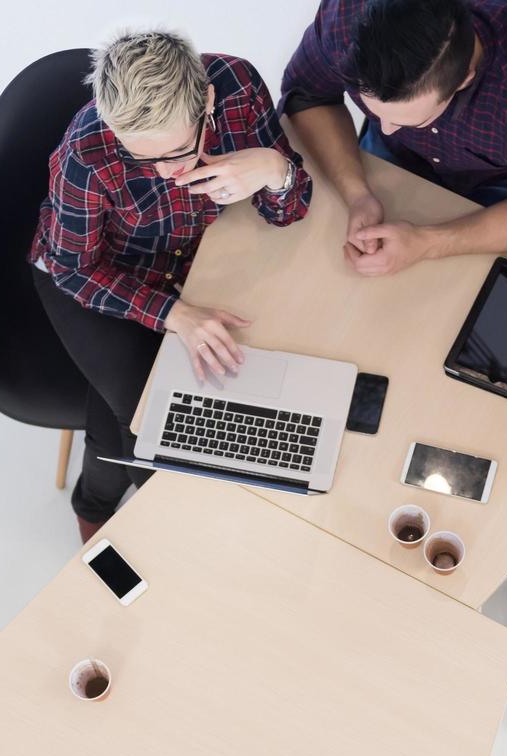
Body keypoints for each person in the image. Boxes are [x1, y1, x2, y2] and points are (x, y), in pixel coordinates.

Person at [30, 30, 312, 541]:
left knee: (134, 411)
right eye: (144, 159)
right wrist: (174, 314)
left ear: (205, 100)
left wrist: (275, 169)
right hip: (95, 279)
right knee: (156, 437)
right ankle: (141, 522)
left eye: (180, 151)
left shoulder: (238, 85)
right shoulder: (86, 154)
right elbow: (73, 268)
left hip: (189, 262)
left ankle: (92, 502)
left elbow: (288, 211)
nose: (167, 172)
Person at [280, 0, 507, 277]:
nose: (386, 127)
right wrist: (357, 194)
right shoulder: (347, 18)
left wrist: (429, 243)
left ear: (464, 80)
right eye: (373, 110)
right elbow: (306, 96)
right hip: (394, 161)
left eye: (410, 120)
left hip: (504, 186)